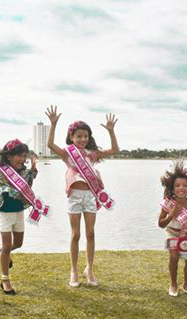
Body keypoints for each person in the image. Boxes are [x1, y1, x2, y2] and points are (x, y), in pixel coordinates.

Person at [45, 105, 119, 287]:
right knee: (75, 234)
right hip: (75, 196)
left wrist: (111, 131)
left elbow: (115, 149)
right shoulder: (67, 153)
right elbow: (50, 145)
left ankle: (90, 269)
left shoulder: (91, 155)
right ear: (72, 137)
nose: (83, 139)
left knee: (91, 233)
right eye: (79, 136)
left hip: (90, 196)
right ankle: (74, 270)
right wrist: (53, 124)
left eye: (86, 136)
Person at [0, 139, 39, 295]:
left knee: (18, 243)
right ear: (9, 156)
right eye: (19, 155)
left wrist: (33, 168)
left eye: (24, 156)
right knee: (7, 244)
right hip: (4, 211)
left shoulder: (23, 171)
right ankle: (5, 281)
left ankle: (4, 252)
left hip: (19, 210)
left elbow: (29, 183)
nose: (22, 159)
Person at [158, 160, 187, 296]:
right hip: (171, 232)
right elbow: (161, 224)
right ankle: (173, 284)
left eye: (185, 185)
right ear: (172, 188)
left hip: (186, 234)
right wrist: (171, 215)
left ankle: (186, 284)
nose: (181, 188)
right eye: (177, 185)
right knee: (173, 256)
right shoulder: (168, 203)